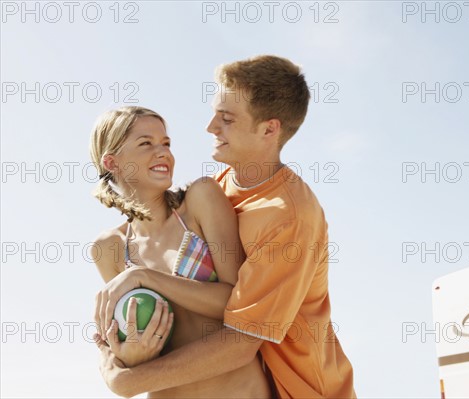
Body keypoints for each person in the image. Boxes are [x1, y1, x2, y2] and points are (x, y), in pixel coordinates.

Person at [95, 56, 356, 398]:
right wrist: (115, 363)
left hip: (300, 390)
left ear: (269, 129)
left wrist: (126, 381)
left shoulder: (288, 217)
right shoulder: (216, 188)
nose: (210, 127)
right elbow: (123, 333)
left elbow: (241, 340)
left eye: (227, 118)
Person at [89, 106, 271, 398]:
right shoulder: (109, 248)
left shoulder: (200, 199)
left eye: (166, 143)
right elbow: (124, 347)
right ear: (113, 162)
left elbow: (238, 306)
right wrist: (130, 353)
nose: (163, 152)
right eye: (146, 143)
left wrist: (146, 277)